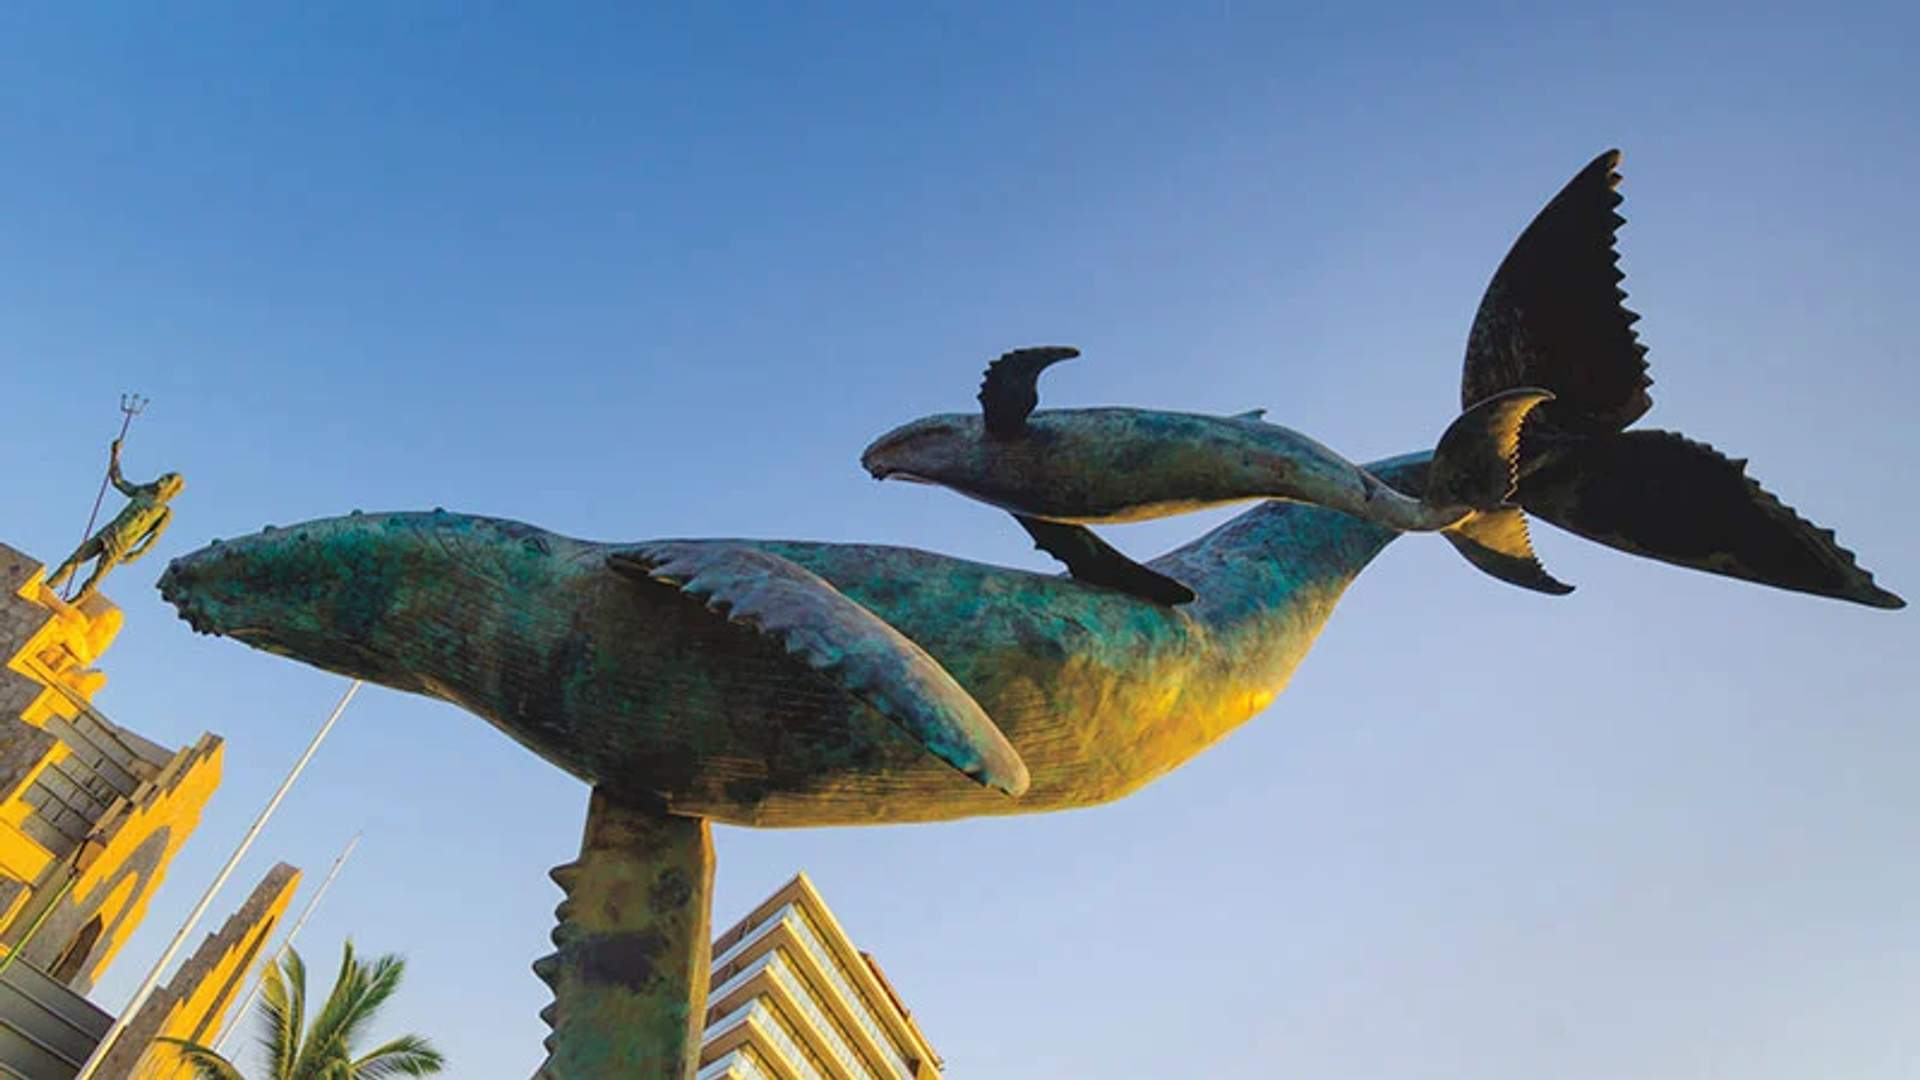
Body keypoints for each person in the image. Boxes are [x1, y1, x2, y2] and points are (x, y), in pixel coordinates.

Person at [45, 439, 183, 603]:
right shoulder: (144, 492)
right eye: (165, 476)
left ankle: (72, 604)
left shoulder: (164, 512)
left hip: (121, 545)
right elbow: (117, 481)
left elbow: (154, 539)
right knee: (74, 560)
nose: (162, 480)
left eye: (169, 480)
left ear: (173, 488)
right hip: (108, 532)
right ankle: (47, 586)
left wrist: (138, 554)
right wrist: (115, 455)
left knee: (95, 578)